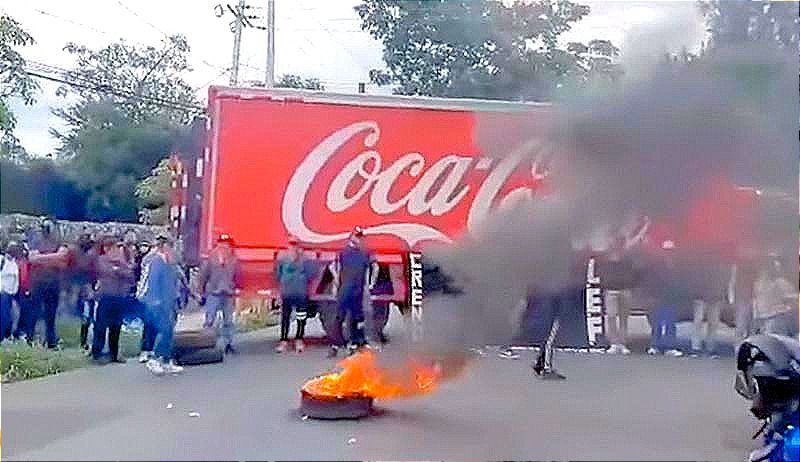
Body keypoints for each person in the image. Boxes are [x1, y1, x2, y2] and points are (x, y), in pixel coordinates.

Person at [328, 227, 378, 358]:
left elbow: (374, 266)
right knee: (339, 317)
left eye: (360, 237)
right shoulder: (343, 252)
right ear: (351, 237)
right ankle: (335, 346)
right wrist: (336, 282)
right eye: (357, 236)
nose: (359, 239)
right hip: (345, 289)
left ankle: (354, 344)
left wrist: (371, 283)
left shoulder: (364, 253)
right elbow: (333, 266)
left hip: (358, 290)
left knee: (356, 317)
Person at [137, 235, 183, 375]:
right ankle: (155, 359)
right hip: (156, 302)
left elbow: (174, 282)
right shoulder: (155, 262)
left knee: (169, 330)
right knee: (165, 329)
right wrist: (153, 299)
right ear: (164, 247)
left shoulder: (169, 263)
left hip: (167, 301)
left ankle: (166, 360)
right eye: (171, 247)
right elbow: (150, 282)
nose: (173, 251)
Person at [91, 237, 135, 364]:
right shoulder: (101, 259)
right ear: (107, 248)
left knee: (116, 326)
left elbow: (130, 276)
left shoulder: (122, 262)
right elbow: (106, 271)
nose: (117, 250)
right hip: (105, 296)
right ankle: (97, 353)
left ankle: (114, 353)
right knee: (101, 326)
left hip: (119, 297)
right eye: (115, 247)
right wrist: (119, 269)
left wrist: (119, 268)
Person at [27, 217, 68, 348]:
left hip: (54, 284)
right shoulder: (36, 241)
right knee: (33, 313)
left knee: (51, 315)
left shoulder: (59, 242)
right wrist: (52, 258)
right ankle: (29, 339)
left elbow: (63, 257)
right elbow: (32, 258)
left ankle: (51, 342)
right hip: (38, 283)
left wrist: (42, 258)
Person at [199, 233, 241, 355]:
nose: (224, 246)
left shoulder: (234, 259)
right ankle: (206, 343)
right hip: (214, 292)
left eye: (227, 244)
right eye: (222, 244)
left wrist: (236, 287)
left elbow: (238, 275)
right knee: (210, 319)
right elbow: (203, 275)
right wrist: (200, 291)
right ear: (217, 245)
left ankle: (228, 343)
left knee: (228, 320)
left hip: (228, 292)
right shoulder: (210, 258)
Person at [274, 236, 316, 353]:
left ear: (299, 246)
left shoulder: (305, 259)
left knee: (301, 318)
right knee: (285, 318)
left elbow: (312, 274)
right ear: (288, 246)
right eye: (291, 245)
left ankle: (299, 339)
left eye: (295, 245)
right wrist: (279, 290)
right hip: (287, 292)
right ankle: (283, 341)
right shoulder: (282, 259)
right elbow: (277, 274)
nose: (293, 247)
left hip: (300, 293)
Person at [597, 236, 636, 355]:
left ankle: (622, 344)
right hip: (611, 290)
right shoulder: (606, 259)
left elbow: (634, 272)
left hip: (625, 290)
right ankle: (614, 343)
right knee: (612, 316)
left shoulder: (628, 258)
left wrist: (630, 283)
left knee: (623, 318)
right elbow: (601, 272)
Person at [645, 241, 685, 357]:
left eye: (671, 251)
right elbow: (651, 281)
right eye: (667, 251)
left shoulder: (677, 265)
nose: (669, 253)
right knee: (657, 323)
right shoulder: (657, 265)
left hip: (671, 298)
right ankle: (655, 346)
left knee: (670, 323)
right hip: (658, 297)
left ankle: (669, 347)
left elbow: (679, 283)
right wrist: (651, 296)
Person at [753, 255, 798, 337]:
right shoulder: (760, 283)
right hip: (767, 322)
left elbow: (794, 302)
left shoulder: (781, 283)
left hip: (774, 320)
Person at [1, 242, 21, 340]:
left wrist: (14, 293)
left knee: (9, 317)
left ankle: (6, 336)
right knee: (3, 317)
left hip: (9, 295)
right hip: (1, 293)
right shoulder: (1, 260)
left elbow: (16, 280)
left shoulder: (15, 264)